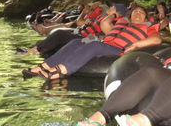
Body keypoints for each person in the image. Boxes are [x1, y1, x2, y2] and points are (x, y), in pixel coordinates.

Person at [22, 6, 161, 80]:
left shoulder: (148, 26)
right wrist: (115, 15)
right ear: (129, 15)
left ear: (146, 17)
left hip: (119, 50)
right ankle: (44, 66)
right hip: (106, 45)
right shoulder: (122, 23)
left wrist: (136, 45)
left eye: (141, 12)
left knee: (95, 45)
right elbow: (105, 22)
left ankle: (61, 71)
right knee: (76, 42)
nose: (138, 13)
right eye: (135, 11)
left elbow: (157, 40)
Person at [19, 4, 128, 58]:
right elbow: (80, 23)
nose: (110, 7)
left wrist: (113, 16)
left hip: (86, 39)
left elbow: (111, 35)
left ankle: (35, 51)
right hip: (80, 33)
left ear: (118, 12)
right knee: (59, 33)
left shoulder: (114, 22)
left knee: (59, 34)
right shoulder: (102, 19)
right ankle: (35, 48)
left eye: (114, 7)